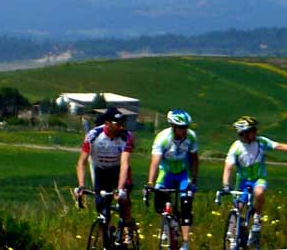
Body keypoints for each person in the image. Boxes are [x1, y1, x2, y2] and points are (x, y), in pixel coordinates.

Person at [221, 116, 287, 243]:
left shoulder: (260, 142)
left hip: (258, 178)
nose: (255, 132)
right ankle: (233, 232)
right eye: (252, 130)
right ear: (244, 133)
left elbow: (278, 146)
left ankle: (257, 220)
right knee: (238, 207)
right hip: (243, 181)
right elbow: (228, 167)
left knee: (259, 192)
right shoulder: (236, 147)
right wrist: (226, 184)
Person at [75, 107, 136, 243]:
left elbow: (125, 164)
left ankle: (127, 226)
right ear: (107, 123)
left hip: (119, 169)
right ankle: (106, 241)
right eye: (117, 123)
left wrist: (120, 189)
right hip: (101, 171)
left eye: (122, 123)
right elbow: (81, 162)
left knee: (123, 197)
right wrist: (81, 186)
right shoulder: (94, 135)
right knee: (101, 210)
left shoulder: (126, 136)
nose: (121, 126)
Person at [146, 109, 199, 250]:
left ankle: (186, 243)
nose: (184, 130)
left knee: (186, 204)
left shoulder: (191, 137)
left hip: (183, 174)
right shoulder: (162, 138)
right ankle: (169, 222)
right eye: (181, 128)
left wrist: (194, 180)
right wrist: (150, 182)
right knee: (159, 204)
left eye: (186, 127)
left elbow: (194, 160)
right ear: (173, 127)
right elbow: (155, 162)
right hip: (166, 173)